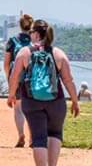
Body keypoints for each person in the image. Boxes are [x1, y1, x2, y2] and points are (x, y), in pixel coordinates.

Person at [8, 20, 80, 166]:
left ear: (35, 34)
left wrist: (11, 95)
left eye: (31, 32)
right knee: (55, 133)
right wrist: (74, 100)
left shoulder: (24, 52)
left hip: (31, 100)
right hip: (56, 100)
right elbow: (68, 80)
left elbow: (14, 76)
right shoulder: (58, 54)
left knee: (38, 137)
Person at [4, 13, 34, 147]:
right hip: (33, 79)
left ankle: (21, 135)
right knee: (33, 109)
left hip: (17, 78)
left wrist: (9, 79)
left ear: (20, 26)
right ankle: (33, 138)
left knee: (18, 108)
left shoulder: (12, 41)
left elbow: (6, 63)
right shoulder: (36, 42)